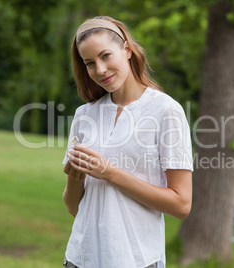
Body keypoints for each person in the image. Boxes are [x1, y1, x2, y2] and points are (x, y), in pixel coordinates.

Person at [62, 16, 193, 268]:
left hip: (135, 260)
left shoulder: (165, 111)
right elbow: (73, 207)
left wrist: (110, 173)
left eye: (105, 56)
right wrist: (75, 177)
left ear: (127, 50)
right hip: (80, 258)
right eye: (90, 63)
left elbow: (181, 204)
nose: (99, 70)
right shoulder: (85, 116)